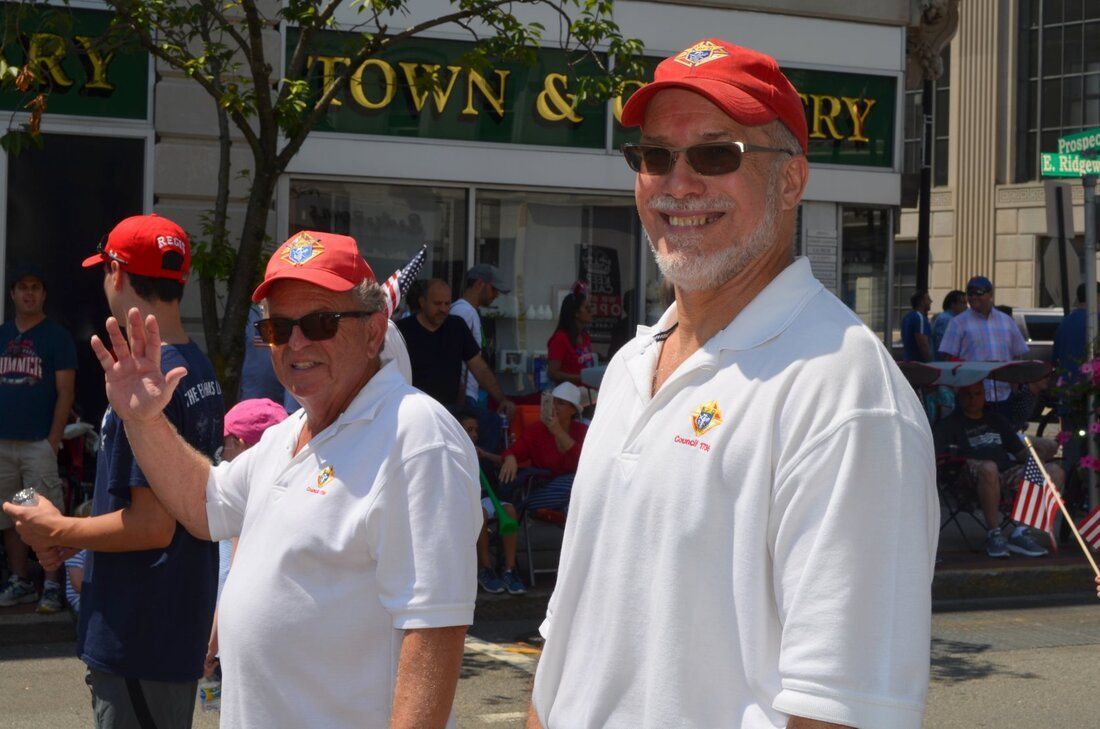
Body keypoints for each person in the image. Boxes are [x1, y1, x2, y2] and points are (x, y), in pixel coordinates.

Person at [527, 39, 937, 729]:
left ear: (790, 180)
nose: (677, 182)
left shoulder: (845, 396)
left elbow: (841, 710)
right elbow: (570, 651)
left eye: (716, 155)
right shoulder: (631, 368)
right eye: (655, 156)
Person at [24, 230, 481, 728]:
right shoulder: (289, 433)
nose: (296, 343)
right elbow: (204, 505)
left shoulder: (416, 437)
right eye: (279, 328)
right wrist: (145, 419)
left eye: (319, 322)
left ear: (374, 332)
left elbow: (434, 629)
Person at [3, 213, 224, 729]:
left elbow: (151, 526)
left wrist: (56, 530)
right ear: (182, 280)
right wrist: (75, 536)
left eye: (104, 270)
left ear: (118, 275)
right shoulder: (197, 364)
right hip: (169, 623)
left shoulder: (146, 382)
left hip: (139, 631)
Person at [0, 264, 76, 613]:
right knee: (11, 517)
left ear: (43, 295)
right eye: (22, 287)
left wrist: (52, 440)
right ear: (13, 294)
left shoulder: (56, 337)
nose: (29, 293)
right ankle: (20, 582)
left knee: (43, 515)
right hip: (3, 444)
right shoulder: (2, 335)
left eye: (35, 287)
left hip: (37, 445)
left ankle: (50, 585)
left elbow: (65, 392)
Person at [205, 398, 288, 680]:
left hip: (237, 636)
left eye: (225, 443)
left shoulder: (244, 499)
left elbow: (233, 572)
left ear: (240, 444)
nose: (221, 452)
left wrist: (212, 641)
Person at [933, 381, 1062, 558]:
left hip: (1004, 472)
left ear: (984, 396)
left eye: (977, 394)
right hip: (968, 478)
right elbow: (937, 457)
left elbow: (1019, 453)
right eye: (967, 394)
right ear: (959, 396)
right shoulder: (949, 424)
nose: (973, 399)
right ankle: (994, 533)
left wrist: (1038, 454)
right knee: (989, 468)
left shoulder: (995, 419)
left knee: (1054, 471)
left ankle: (1021, 531)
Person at [397, 278, 516, 418]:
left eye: (447, 304)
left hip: (449, 412)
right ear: (422, 302)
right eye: (437, 303)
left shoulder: (457, 326)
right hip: (413, 411)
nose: (443, 309)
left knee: (490, 424)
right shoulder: (403, 330)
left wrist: (501, 399)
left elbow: (479, 367)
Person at [939, 276, 1030, 423]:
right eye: (970, 293)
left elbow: (1018, 356)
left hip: (1004, 397)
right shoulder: (958, 323)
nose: (973, 297)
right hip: (971, 399)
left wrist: (1015, 388)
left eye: (979, 292)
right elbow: (948, 358)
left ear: (990, 294)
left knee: (1003, 442)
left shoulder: (1007, 321)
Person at [456, 410, 525, 596]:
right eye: (468, 430)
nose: (474, 435)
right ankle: (485, 569)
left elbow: (501, 462)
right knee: (481, 514)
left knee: (509, 510)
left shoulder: (481, 450)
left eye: (475, 430)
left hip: (488, 497)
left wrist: (485, 455)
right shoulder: (452, 453)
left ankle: (510, 570)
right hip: (465, 502)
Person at [499, 381, 587, 516]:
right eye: (553, 402)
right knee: (577, 482)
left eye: (561, 403)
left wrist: (559, 432)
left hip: (572, 492)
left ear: (573, 410)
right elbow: (512, 451)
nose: (554, 407)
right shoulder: (536, 430)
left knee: (582, 485)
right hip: (541, 490)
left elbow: (585, 461)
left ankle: (568, 513)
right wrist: (510, 457)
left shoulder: (582, 431)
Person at [451, 264, 510, 408]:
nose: (496, 295)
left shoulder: (469, 311)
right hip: (464, 396)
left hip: (470, 394)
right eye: (493, 289)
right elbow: (456, 358)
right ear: (479, 284)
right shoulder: (463, 312)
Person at [547, 282, 597, 386]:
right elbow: (553, 373)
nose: (591, 312)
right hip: (568, 395)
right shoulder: (560, 339)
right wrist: (580, 378)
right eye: (587, 309)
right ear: (576, 313)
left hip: (586, 392)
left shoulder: (584, 336)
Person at [1052, 282, 1100, 375]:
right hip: (1089, 384)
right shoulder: (1096, 320)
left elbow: (1055, 359)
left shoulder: (1064, 323)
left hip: (1065, 384)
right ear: (1096, 297)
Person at [931, 289, 967, 359]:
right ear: (952, 304)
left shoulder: (951, 318)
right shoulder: (947, 319)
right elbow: (945, 348)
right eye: (963, 303)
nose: (966, 306)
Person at [901, 289, 932, 362]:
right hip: (918, 363)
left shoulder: (907, 317)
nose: (931, 301)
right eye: (928, 299)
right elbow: (922, 342)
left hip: (908, 360)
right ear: (921, 302)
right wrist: (929, 361)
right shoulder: (919, 317)